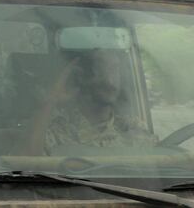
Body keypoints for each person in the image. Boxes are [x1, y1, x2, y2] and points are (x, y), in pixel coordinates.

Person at [21, 50, 157, 155]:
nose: (110, 81)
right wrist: (52, 100)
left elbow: (158, 174)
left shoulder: (132, 128)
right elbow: (23, 169)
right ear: (81, 78)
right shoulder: (57, 131)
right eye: (100, 71)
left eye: (115, 70)